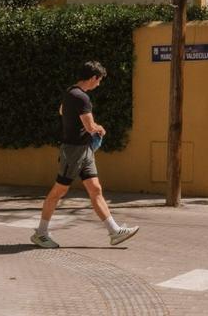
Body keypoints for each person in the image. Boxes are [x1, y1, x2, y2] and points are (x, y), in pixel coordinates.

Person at [31, 61, 139, 248]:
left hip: (84, 150)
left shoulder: (70, 92)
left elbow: (61, 111)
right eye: (99, 80)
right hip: (73, 151)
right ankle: (41, 233)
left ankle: (114, 232)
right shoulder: (82, 98)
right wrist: (100, 128)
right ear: (93, 78)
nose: (99, 84)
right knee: (59, 191)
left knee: (95, 189)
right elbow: (90, 127)